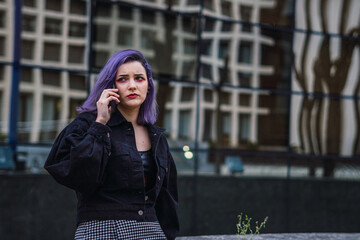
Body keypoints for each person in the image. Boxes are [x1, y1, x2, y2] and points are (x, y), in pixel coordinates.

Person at [44, 49, 179, 240]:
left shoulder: (157, 137)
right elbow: (74, 174)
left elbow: (167, 199)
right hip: (101, 230)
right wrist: (100, 124)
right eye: (123, 79)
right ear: (110, 86)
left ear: (148, 86)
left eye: (139, 78)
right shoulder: (87, 125)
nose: (132, 86)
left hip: (150, 231)